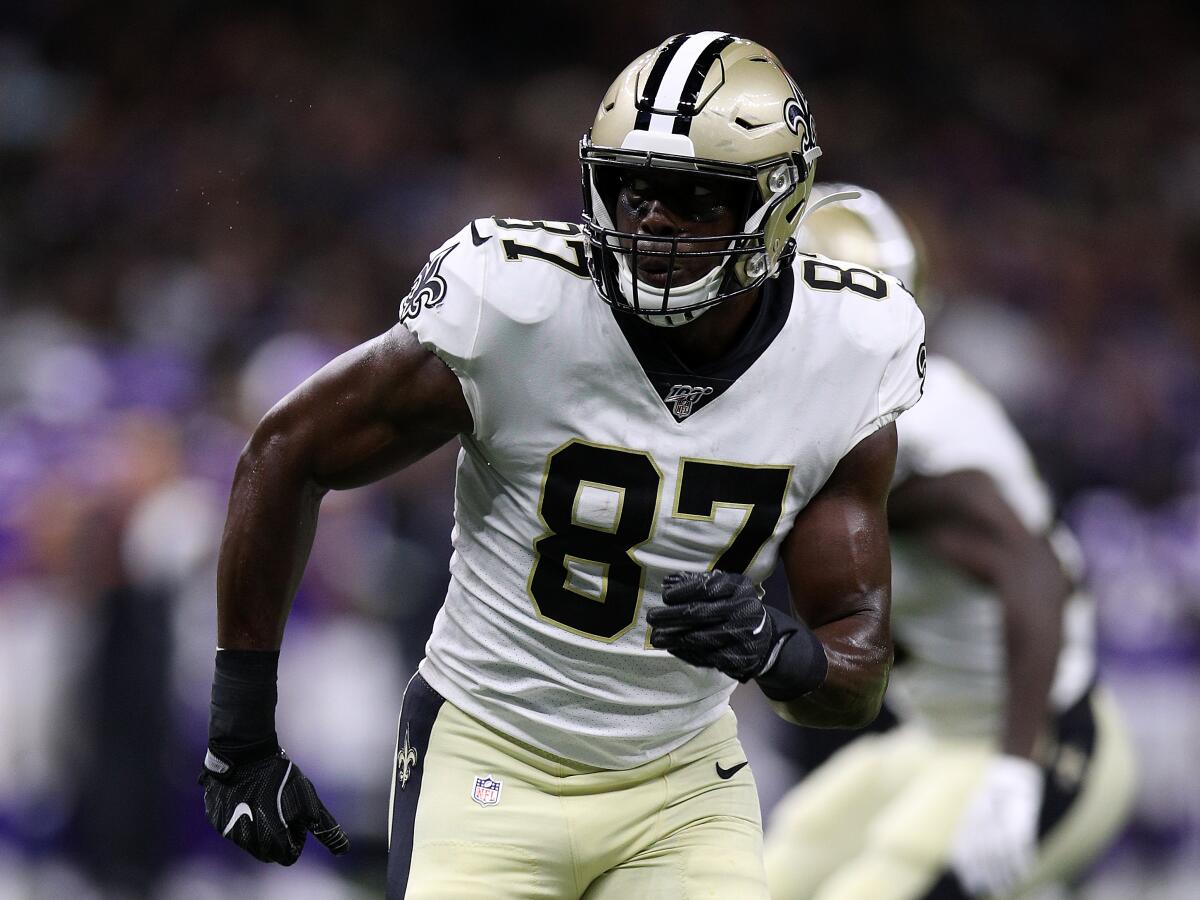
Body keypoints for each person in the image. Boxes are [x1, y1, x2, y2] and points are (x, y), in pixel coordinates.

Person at [198, 36, 926, 899]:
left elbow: (856, 670)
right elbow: (285, 453)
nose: (653, 219)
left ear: (775, 207)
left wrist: (778, 651)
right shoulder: (520, 305)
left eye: (695, 197)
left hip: (680, 783)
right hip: (490, 751)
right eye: (633, 188)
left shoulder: (843, 348)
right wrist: (239, 734)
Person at [763, 185, 1137, 900]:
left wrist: (1014, 767)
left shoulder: (917, 432)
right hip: (934, 734)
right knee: (771, 872)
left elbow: (1036, 572)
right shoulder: (819, 418)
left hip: (1039, 738)